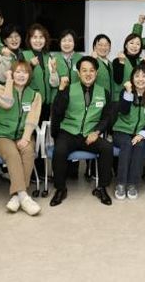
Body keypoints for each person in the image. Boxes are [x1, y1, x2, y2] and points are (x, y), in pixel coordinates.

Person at [49, 56, 115, 206]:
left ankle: (102, 188)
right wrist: (61, 91)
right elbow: (57, 111)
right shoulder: (69, 89)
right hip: (69, 132)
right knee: (59, 150)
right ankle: (60, 188)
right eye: (84, 70)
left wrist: (96, 132)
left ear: (96, 73)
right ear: (78, 73)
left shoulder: (104, 92)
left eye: (91, 70)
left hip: (90, 134)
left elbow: (107, 117)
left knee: (107, 148)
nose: (88, 74)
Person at [0, 61, 42, 216]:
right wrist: (8, 81)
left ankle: (17, 196)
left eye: (25, 72)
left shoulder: (35, 95)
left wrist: (26, 138)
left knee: (28, 152)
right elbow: (7, 104)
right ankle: (24, 197)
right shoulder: (1, 89)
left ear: (29, 75)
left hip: (22, 134)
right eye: (18, 72)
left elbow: (32, 119)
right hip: (2, 135)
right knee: (13, 154)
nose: (21, 75)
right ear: (12, 73)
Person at [112, 63, 145, 200]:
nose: (140, 79)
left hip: (141, 133)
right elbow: (124, 110)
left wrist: (142, 134)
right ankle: (121, 183)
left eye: (144, 76)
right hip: (122, 131)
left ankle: (132, 184)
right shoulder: (125, 92)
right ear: (132, 78)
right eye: (137, 76)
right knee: (127, 144)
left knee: (140, 145)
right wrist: (128, 92)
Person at [21, 24, 52, 121]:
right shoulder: (23, 55)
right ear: (29, 40)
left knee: (44, 128)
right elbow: (20, 78)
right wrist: (30, 65)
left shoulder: (48, 56)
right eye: (34, 37)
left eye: (41, 37)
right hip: (31, 101)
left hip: (47, 103)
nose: (38, 40)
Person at [112, 33, 142, 101]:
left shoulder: (140, 62)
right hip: (120, 98)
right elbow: (118, 80)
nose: (134, 46)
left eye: (138, 44)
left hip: (136, 99)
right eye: (131, 43)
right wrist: (121, 62)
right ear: (126, 45)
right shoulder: (117, 60)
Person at [91, 34, 113, 100]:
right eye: (100, 45)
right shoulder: (91, 61)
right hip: (97, 98)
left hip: (109, 98)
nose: (103, 48)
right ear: (94, 47)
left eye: (106, 45)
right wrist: (92, 60)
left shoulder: (110, 63)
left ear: (110, 48)